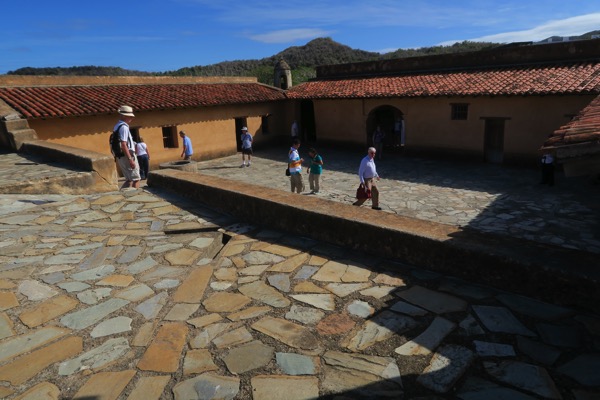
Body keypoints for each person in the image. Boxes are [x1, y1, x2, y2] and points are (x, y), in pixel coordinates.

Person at [114, 105, 141, 189]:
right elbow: (123, 144)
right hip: (128, 154)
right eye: (129, 117)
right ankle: (136, 197)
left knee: (129, 180)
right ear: (124, 116)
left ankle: (122, 195)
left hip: (120, 155)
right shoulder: (124, 127)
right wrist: (130, 160)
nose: (131, 118)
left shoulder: (117, 126)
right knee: (136, 179)